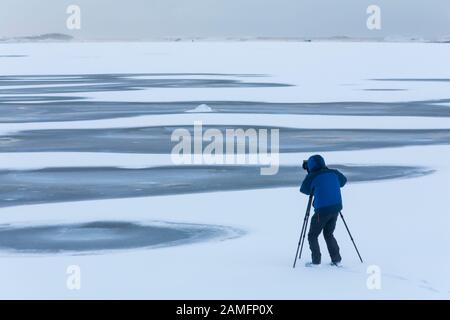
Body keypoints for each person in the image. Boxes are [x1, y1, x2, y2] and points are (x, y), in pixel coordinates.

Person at [300, 154, 347, 267]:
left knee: (312, 235)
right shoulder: (334, 172)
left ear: (310, 166)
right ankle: (336, 260)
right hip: (336, 208)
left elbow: (304, 190)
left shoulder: (313, 176)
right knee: (328, 233)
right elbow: (343, 181)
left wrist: (311, 175)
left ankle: (316, 262)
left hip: (322, 211)